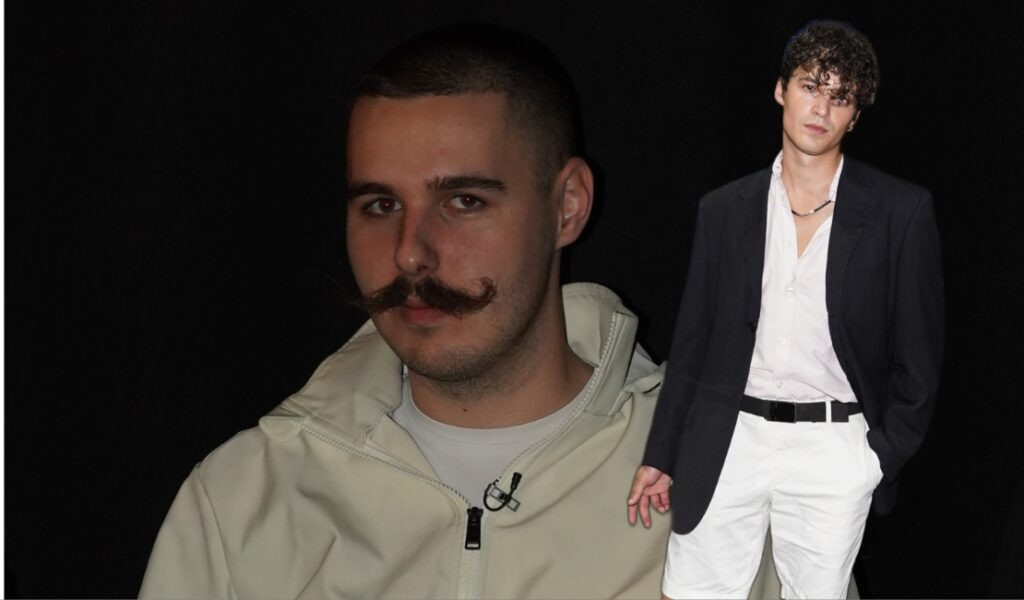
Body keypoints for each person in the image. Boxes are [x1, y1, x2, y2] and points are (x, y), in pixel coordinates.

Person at [140, 24, 785, 599]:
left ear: (567, 206)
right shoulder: (245, 499)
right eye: (380, 206)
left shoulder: (730, 485)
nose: (409, 254)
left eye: (464, 201)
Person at [628, 19, 944, 599]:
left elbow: (919, 359)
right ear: (781, 90)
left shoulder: (900, 212)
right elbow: (692, 341)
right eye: (810, 86)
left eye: (840, 96)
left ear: (854, 116)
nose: (821, 107)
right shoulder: (724, 210)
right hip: (730, 437)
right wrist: (662, 454)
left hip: (834, 449)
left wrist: (877, 458)